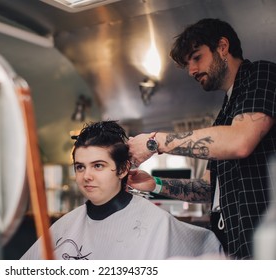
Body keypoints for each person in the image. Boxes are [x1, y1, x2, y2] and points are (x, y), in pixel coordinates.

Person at [127, 18, 276, 260]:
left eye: (196, 57)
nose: (191, 70)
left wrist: (155, 142)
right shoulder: (224, 117)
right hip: (236, 244)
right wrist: (155, 184)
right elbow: (208, 188)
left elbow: (241, 141)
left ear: (223, 47)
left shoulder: (261, 74)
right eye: (188, 64)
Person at [21, 120, 223, 260]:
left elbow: (212, 252)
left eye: (98, 165)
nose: (86, 175)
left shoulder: (158, 224)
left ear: (123, 169)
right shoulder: (65, 226)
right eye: (80, 167)